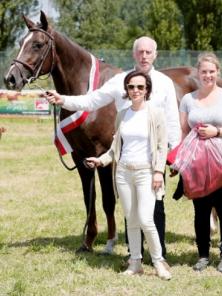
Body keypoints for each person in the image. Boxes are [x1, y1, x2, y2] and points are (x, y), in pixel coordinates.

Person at [45, 36, 181, 256]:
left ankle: (159, 255)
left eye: (148, 52)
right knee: (131, 209)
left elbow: (173, 120)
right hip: (126, 157)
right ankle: (134, 255)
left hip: (153, 158)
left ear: (155, 54)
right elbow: (92, 100)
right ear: (134, 54)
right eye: (140, 52)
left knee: (155, 208)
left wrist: (173, 154)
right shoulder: (120, 81)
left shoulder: (165, 82)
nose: (144, 56)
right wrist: (63, 100)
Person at [84, 70, 171, 280]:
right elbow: (115, 148)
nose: (135, 90)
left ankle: (159, 261)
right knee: (131, 221)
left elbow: (161, 146)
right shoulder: (123, 114)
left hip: (146, 173)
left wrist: (159, 171)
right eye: (131, 87)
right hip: (123, 173)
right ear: (126, 89)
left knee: (145, 220)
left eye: (140, 87)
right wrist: (101, 160)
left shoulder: (156, 113)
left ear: (147, 89)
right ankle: (135, 263)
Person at [179, 52, 222, 273]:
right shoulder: (188, 100)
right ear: (198, 73)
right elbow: (182, 131)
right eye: (204, 71)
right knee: (201, 211)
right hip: (197, 165)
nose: (208, 75)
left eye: (211, 71)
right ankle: (203, 255)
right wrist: (178, 160)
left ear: (218, 72)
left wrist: (217, 131)